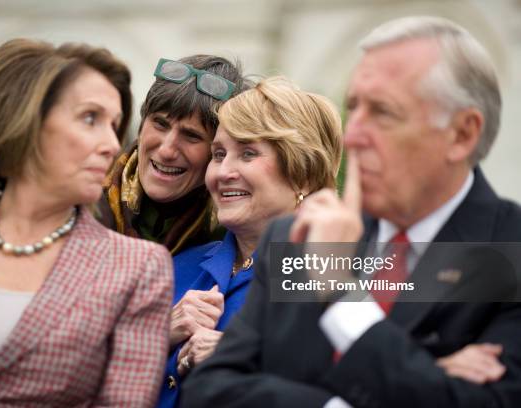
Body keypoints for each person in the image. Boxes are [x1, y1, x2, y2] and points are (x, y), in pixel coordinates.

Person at [182, 16, 521, 408]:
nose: (353, 135)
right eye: (354, 107)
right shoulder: (297, 240)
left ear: (461, 134)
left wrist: (342, 297)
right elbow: (208, 392)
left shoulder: (508, 251)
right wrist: (421, 378)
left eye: (383, 113)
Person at [0, 38, 173, 407]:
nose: (113, 144)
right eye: (90, 118)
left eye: (114, 126)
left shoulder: (137, 267)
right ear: (25, 118)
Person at [158, 76, 343, 408]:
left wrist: (249, 362)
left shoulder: (348, 270)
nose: (222, 172)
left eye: (247, 153)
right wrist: (156, 338)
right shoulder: (175, 266)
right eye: (218, 154)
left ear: (302, 172)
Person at [99, 55, 252, 255]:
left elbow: (299, 282)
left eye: (191, 136)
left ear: (219, 152)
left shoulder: (238, 229)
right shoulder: (80, 202)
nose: (166, 151)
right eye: (160, 124)